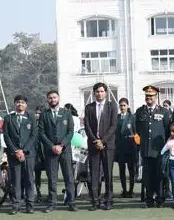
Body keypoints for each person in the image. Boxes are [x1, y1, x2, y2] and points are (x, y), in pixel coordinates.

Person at [39, 90, 76, 212]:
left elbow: (70, 131)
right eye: (50, 98)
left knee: (69, 177)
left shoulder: (66, 113)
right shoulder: (44, 114)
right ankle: (52, 203)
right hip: (51, 151)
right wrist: (52, 146)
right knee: (52, 178)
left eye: (54, 97)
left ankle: (71, 202)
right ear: (47, 100)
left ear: (58, 98)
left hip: (65, 150)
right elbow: (41, 132)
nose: (52, 100)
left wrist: (61, 145)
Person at [83, 82, 118, 210]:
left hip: (108, 145)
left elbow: (113, 125)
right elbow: (87, 126)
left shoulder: (112, 106)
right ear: (94, 93)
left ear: (106, 93)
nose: (100, 94)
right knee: (94, 173)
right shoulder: (89, 107)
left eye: (102, 91)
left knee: (108, 173)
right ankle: (95, 201)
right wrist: (95, 141)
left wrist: (102, 141)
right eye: (97, 91)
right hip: (93, 145)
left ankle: (109, 200)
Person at [135, 86, 170, 208]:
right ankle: (149, 199)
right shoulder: (140, 111)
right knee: (147, 176)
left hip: (159, 149)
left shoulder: (164, 112)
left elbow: (167, 130)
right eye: (147, 96)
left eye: (151, 96)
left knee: (159, 175)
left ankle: (160, 198)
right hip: (146, 149)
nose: (149, 98)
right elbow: (138, 129)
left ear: (156, 97)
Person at [3, 95, 37, 214]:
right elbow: (6, 136)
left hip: (29, 154)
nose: (20, 104)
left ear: (26, 105)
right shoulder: (8, 118)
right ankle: (16, 204)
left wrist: (24, 150)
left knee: (29, 179)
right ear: (14, 104)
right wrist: (16, 151)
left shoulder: (31, 117)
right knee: (16, 180)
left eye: (22, 102)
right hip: (14, 155)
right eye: (18, 102)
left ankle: (30, 204)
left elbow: (34, 135)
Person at [115, 96, 137, 198]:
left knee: (131, 170)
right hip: (120, 148)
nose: (122, 107)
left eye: (124, 105)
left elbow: (136, 132)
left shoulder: (132, 117)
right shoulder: (116, 117)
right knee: (121, 170)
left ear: (128, 106)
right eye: (121, 105)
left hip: (130, 147)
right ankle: (124, 190)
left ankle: (131, 191)